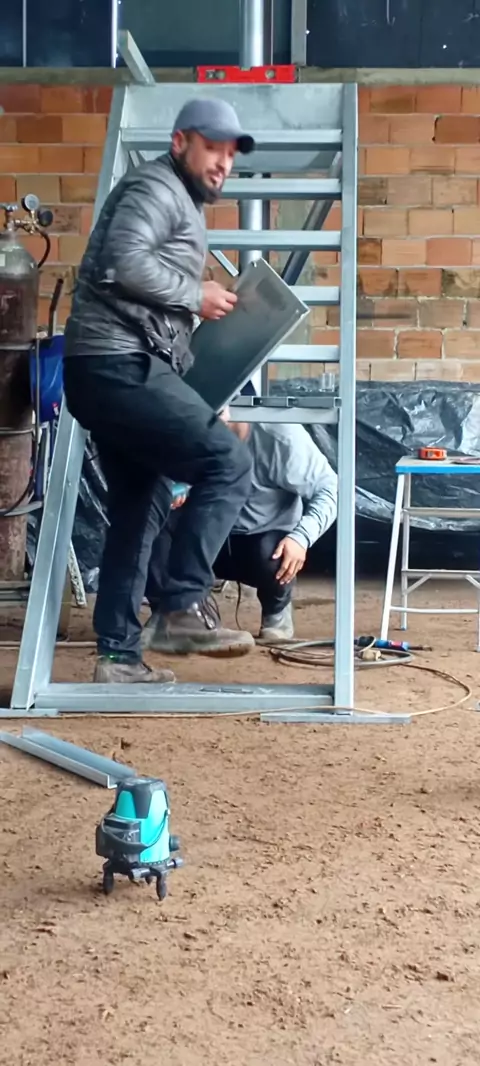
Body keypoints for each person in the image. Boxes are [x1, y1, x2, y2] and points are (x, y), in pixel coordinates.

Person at [62, 98, 259, 684]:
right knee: (228, 463)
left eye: (231, 154)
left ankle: (117, 657)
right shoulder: (156, 187)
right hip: (117, 365)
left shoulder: (182, 200)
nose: (223, 163)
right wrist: (194, 293)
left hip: (110, 369)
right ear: (180, 143)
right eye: (212, 148)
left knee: (138, 507)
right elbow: (123, 262)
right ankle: (180, 606)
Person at [144, 412, 338, 645]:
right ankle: (172, 612)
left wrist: (301, 538)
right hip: (205, 532)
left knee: (275, 553)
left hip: (261, 533)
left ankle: (276, 611)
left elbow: (330, 488)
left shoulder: (282, 437)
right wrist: (174, 488)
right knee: (153, 523)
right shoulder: (188, 431)